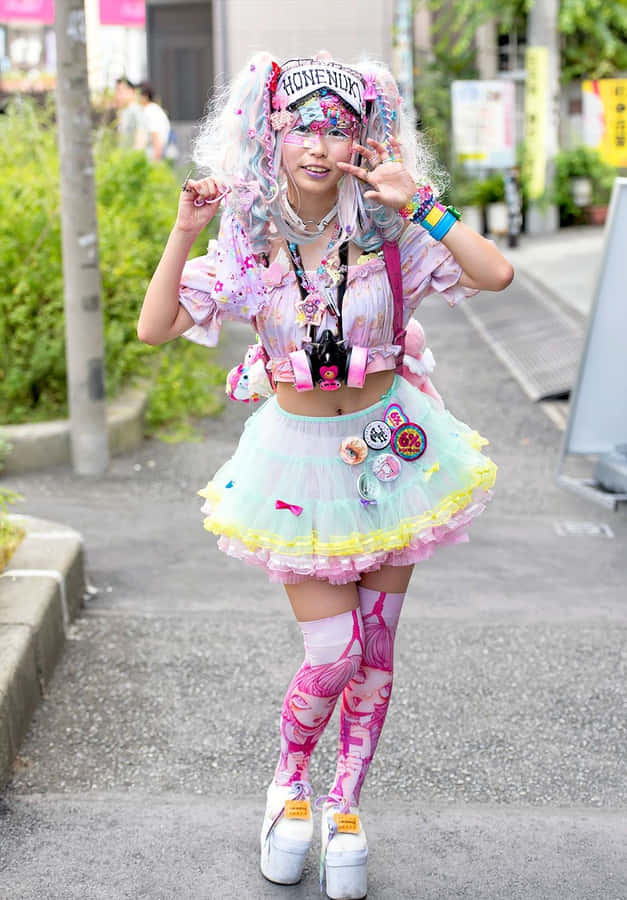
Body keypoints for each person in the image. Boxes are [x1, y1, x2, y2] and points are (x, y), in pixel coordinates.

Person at [138, 52, 513, 899]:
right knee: (334, 650)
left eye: (336, 130)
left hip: (391, 456)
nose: (317, 145)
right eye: (301, 127)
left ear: (361, 141)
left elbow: (495, 273)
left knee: (375, 652)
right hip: (298, 466)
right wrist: (185, 231)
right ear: (269, 136)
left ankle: (344, 806)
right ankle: (288, 785)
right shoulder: (248, 239)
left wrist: (419, 201)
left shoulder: (393, 233)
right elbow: (155, 328)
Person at [136, 81, 174, 162]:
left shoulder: (150, 110)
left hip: (154, 155)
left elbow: (156, 136)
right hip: (154, 153)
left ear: (145, 96)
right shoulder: (150, 109)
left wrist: (156, 162)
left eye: (137, 95)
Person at [114, 76, 144, 149]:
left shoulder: (136, 110)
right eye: (116, 91)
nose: (118, 95)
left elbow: (141, 136)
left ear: (131, 91)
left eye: (120, 91)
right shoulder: (123, 111)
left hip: (133, 154)